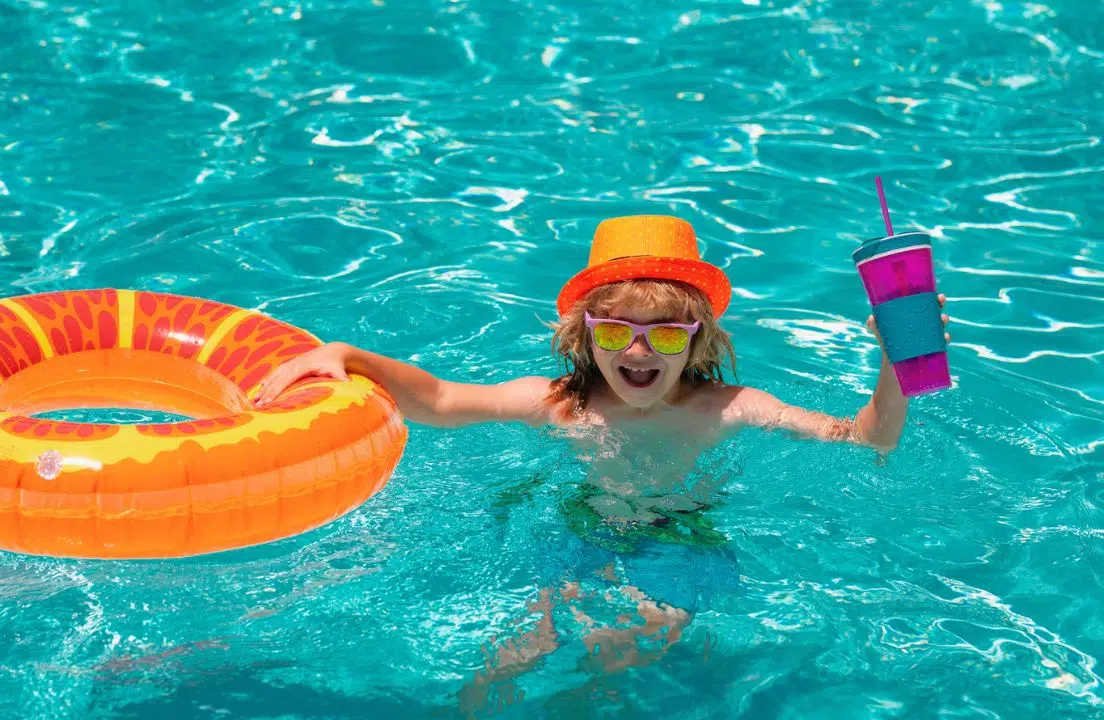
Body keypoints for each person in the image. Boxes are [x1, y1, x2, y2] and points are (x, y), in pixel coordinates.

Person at [253, 214, 949, 685]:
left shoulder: (731, 409)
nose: (640, 351)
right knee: (511, 657)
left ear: (697, 343)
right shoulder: (558, 405)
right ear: (584, 338)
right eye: (616, 332)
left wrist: (896, 358)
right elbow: (437, 400)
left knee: (625, 650)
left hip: (683, 538)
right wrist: (345, 354)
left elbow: (867, 439)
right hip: (579, 524)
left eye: (665, 335)